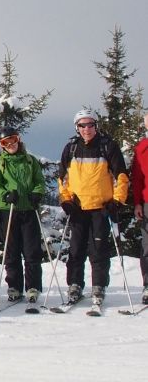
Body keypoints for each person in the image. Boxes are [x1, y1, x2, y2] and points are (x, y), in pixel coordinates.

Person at [59, 110, 129, 305]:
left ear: (96, 126)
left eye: (90, 125)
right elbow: (62, 179)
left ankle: (98, 286)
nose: (87, 129)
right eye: (83, 125)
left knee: (98, 250)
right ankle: (75, 284)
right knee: (76, 250)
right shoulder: (71, 148)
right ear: (77, 127)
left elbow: (121, 176)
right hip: (78, 208)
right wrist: (65, 200)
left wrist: (116, 201)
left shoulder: (107, 146)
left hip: (100, 207)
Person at [0, 126, 46, 303]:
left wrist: (37, 193)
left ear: (18, 139)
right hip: (9, 210)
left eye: (12, 140)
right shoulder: (0, 163)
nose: (10, 144)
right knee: (11, 251)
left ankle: (33, 286)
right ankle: (14, 286)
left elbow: (39, 180)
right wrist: (5, 195)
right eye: (5, 142)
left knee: (31, 251)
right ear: (1, 146)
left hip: (28, 209)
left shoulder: (30, 161)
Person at [131, 113, 148, 305]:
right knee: (147, 246)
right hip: (146, 202)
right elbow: (137, 178)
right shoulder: (142, 148)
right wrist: (137, 203)